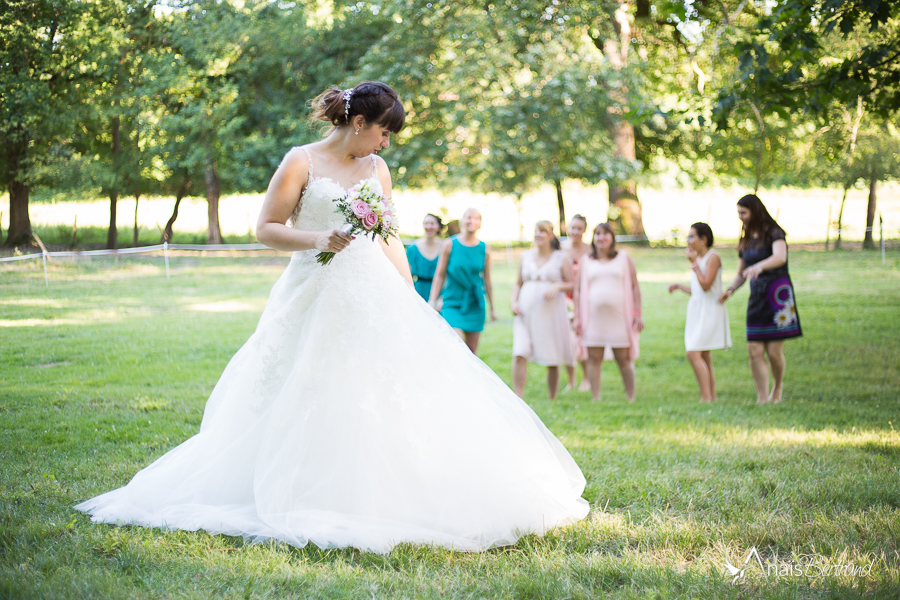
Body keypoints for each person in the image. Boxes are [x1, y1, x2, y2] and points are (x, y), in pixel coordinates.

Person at [75, 82, 588, 554]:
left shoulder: (376, 170)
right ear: (360, 123)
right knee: (301, 380)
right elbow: (266, 227)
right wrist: (318, 239)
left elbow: (386, 233)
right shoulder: (301, 161)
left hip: (373, 290)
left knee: (383, 386)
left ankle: (386, 485)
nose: (386, 144)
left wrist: (408, 290)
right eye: (384, 132)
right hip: (312, 288)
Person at [719, 194, 802, 404]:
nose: (740, 217)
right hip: (756, 298)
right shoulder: (745, 239)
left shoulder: (774, 232)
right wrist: (730, 290)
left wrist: (759, 266)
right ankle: (762, 398)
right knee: (754, 350)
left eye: (743, 213)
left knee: (774, 352)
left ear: (755, 210)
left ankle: (778, 387)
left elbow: (780, 257)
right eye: (738, 213)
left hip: (777, 296)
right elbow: (741, 272)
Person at [574, 223, 644, 402]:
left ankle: (631, 396)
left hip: (620, 318)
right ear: (593, 238)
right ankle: (595, 397)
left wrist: (637, 313)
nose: (601, 237)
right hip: (593, 318)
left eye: (606, 234)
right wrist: (578, 317)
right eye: (597, 234)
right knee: (593, 358)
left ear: (612, 238)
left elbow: (635, 287)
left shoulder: (623, 258)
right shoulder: (586, 261)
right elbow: (578, 291)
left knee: (623, 358)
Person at [511, 221, 576, 400]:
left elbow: (572, 283)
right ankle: (518, 397)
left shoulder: (560, 258)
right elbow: (518, 283)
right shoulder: (525, 256)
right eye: (535, 231)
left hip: (550, 313)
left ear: (551, 235)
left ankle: (552, 397)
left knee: (551, 354)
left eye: (542, 231)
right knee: (519, 351)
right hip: (525, 313)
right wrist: (512, 302)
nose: (538, 234)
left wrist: (557, 287)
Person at [668, 223, 732, 402]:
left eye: (691, 237)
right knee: (704, 355)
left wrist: (694, 265)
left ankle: (706, 397)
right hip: (698, 309)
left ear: (703, 239)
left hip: (710, 310)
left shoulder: (712, 257)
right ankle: (711, 396)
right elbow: (697, 290)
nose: (688, 241)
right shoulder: (700, 258)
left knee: (693, 352)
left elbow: (706, 286)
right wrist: (680, 287)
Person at [429, 208, 498, 354]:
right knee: (457, 347)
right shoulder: (450, 244)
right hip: (453, 301)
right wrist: (432, 300)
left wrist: (492, 307)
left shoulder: (484, 248)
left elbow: (487, 279)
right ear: (462, 221)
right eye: (468, 217)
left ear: (480, 223)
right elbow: (440, 274)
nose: (471, 221)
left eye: (475, 218)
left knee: (472, 352)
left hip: (475, 303)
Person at [560, 215, 592, 392]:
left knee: (582, 339)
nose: (575, 232)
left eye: (579, 228)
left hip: (585, 300)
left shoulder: (589, 251)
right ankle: (571, 380)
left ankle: (586, 378)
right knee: (567, 339)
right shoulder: (561, 250)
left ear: (584, 230)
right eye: (573, 228)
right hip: (566, 300)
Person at [406, 213, 443, 301]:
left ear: (438, 227)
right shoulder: (412, 248)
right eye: (426, 223)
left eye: (432, 223)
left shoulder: (445, 247)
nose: (429, 227)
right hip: (418, 291)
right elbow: (407, 274)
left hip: (439, 292)